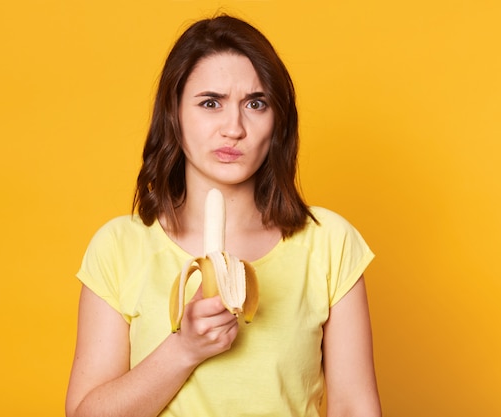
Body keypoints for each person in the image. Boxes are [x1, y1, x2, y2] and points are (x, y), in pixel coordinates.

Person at [66, 14, 381, 417]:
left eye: (255, 103)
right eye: (210, 103)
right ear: (174, 114)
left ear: (277, 122)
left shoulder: (330, 242)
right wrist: (184, 349)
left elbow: (355, 406)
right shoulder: (119, 247)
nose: (234, 128)